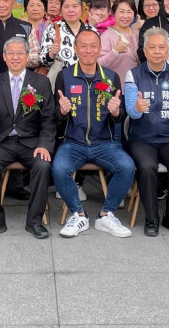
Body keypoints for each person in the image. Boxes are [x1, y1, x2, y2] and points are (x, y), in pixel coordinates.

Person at [52, 29, 134, 238]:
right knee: (59, 168)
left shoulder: (111, 77)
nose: (88, 50)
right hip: (73, 142)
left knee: (126, 166)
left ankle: (106, 214)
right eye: (83, 46)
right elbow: (55, 115)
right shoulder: (65, 76)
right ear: (76, 49)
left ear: (99, 49)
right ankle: (78, 215)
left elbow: (119, 115)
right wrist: (62, 111)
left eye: (93, 46)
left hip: (104, 143)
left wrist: (116, 112)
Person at [0, 37, 56, 239]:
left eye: (20, 52)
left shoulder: (41, 82)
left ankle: (35, 221)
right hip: (3, 141)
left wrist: (44, 145)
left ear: (27, 56)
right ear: (4, 57)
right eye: (10, 53)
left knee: (42, 165)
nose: (15, 57)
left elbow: (48, 119)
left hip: (31, 142)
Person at [124, 27, 169, 237]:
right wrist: (137, 108)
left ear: (168, 50)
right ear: (144, 50)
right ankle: (151, 218)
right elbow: (131, 112)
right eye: (152, 47)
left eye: (161, 47)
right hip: (141, 138)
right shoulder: (133, 74)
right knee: (146, 167)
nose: (156, 51)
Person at [40, 0, 94, 88]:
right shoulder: (52, 29)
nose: (71, 10)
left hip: (87, 80)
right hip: (61, 82)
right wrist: (51, 54)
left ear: (81, 9)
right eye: (66, 6)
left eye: (75, 6)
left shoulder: (91, 30)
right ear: (61, 10)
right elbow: (42, 60)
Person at [98, 0, 140, 84]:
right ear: (113, 13)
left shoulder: (138, 34)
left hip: (137, 86)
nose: (125, 16)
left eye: (129, 12)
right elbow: (98, 64)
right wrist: (115, 52)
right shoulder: (106, 36)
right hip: (117, 87)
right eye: (121, 12)